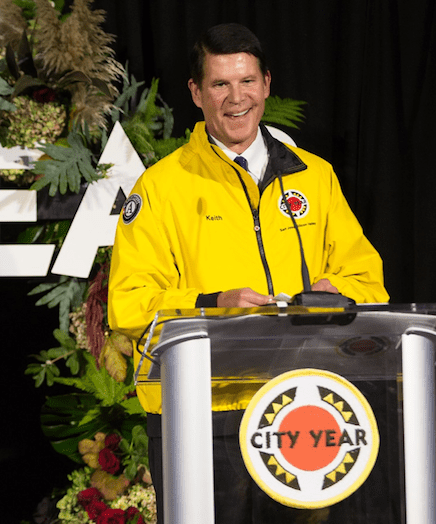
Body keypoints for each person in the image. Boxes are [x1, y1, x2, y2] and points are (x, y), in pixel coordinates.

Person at [107, 23, 389, 523]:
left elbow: (368, 280)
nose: (235, 98)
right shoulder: (160, 187)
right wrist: (213, 305)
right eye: (219, 84)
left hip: (303, 407)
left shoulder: (313, 175)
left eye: (246, 82)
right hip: (203, 413)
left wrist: (337, 292)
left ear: (266, 84)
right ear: (196, 93)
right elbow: (129, 303)